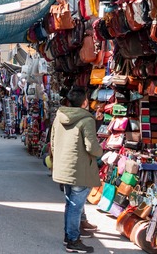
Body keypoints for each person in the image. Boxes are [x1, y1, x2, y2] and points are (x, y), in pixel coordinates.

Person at [51, 87, 103, 253]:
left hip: (64, 167)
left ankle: (69, 236)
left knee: (70, 203)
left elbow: (52, 141)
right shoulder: (86, 119)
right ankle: (73, 240)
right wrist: (101, 151)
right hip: (80, 169)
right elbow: (91, 146)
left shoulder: (60, 117)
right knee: (76, 206)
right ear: (85, 102)